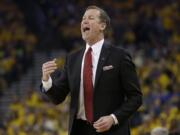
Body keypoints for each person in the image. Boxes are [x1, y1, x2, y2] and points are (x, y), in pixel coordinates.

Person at [41, 5, 142, 135]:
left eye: (91, 18)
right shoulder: (72, 59)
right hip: (80, 130)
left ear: (102, 26)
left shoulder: (119, 56)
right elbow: (57, 98)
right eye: (83, 19)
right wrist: (46, 80)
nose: (84, 21)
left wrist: (113, 118)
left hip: (111, 130)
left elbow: (136, 97)